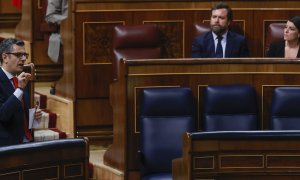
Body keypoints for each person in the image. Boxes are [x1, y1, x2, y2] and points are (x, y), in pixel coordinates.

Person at [0, 38, 41, 146]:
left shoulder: (22, 80)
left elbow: (21, 113)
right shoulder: (20, 84)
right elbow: (3, 115)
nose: (23, 59)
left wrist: (34, 118)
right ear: (5, 57)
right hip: (7, 146)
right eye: (18, 55)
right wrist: (19, 89)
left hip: (27, 141)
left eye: (24, 55)